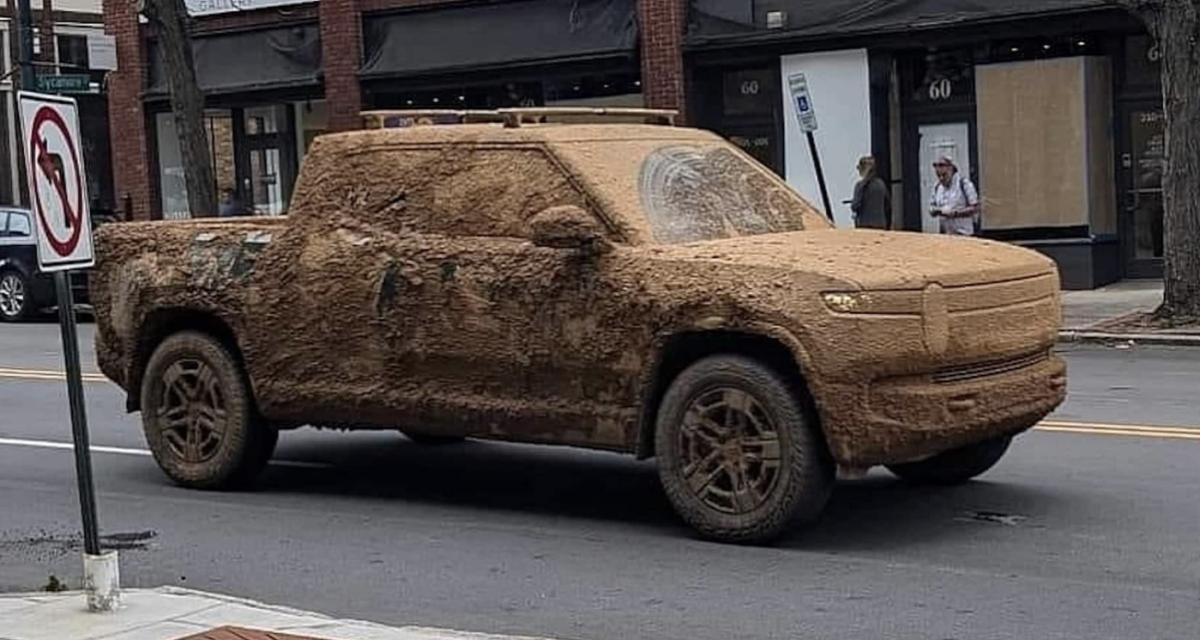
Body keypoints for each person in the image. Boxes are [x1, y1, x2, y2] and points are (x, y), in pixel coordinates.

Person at [930, 155, 979, 236]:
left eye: (944, 175)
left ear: (951, 169)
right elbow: (932, 206)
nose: (941, 178)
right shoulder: (937, 187)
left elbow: (975, 208)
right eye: (939, 176)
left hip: (964, 233)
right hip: (946, 234)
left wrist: (955, 213)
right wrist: (935, 210)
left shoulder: (963, 184)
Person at [851, 155, 890, 230]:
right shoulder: (881, 184)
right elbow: (888, 205)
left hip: (864, 226)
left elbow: (855, 206)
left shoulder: (860, 186)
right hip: (880, 226)